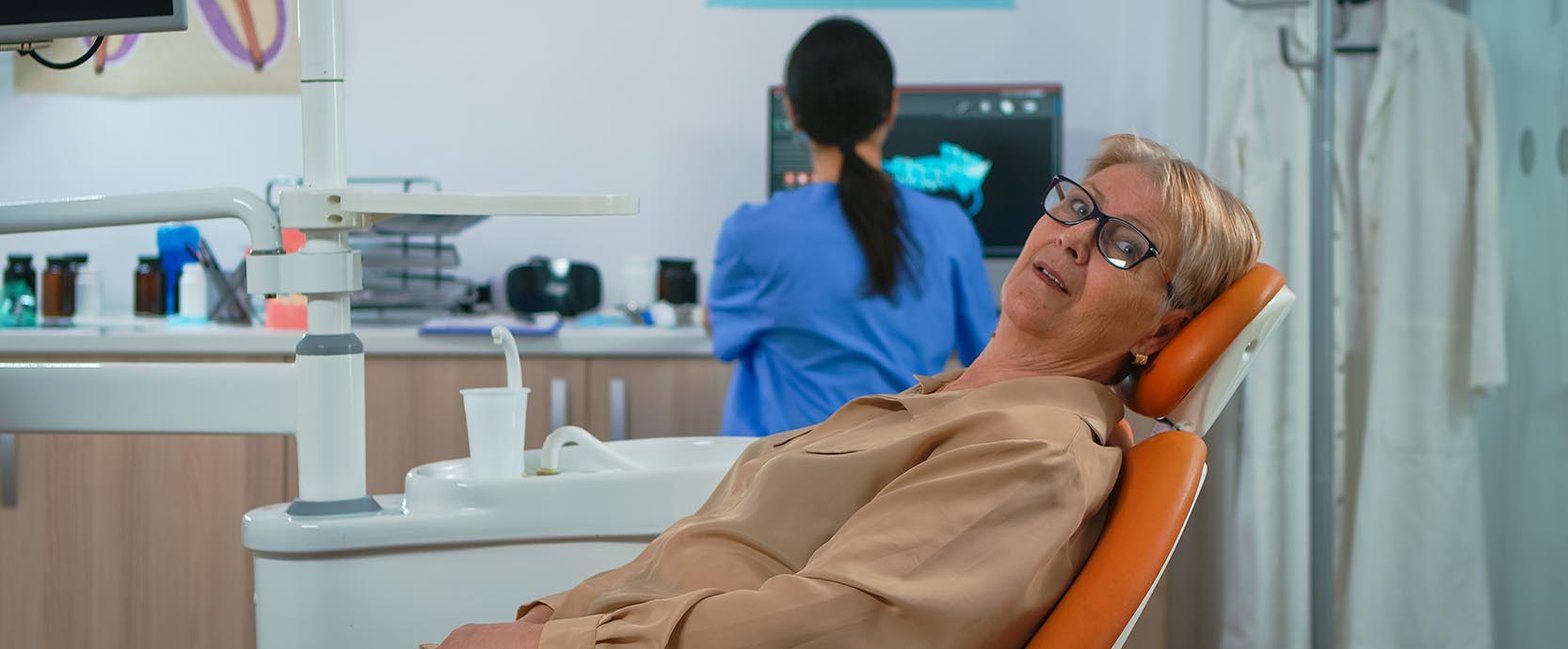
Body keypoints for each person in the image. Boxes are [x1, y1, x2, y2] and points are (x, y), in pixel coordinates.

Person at [436, 133, 1263, 649]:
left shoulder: (1032, 452)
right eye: (1076, 206)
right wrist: (550, 618)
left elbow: (839, 628)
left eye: (1123, 244)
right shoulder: (947, 401)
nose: (1076, 237)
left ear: (1160, 329)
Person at [708, 17, 998, 437]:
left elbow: (724, 339)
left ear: (791, 111)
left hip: (778, 484)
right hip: (899, 478)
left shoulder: (750, 232)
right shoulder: (949, 227)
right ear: (892, 107)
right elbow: (985, 356)